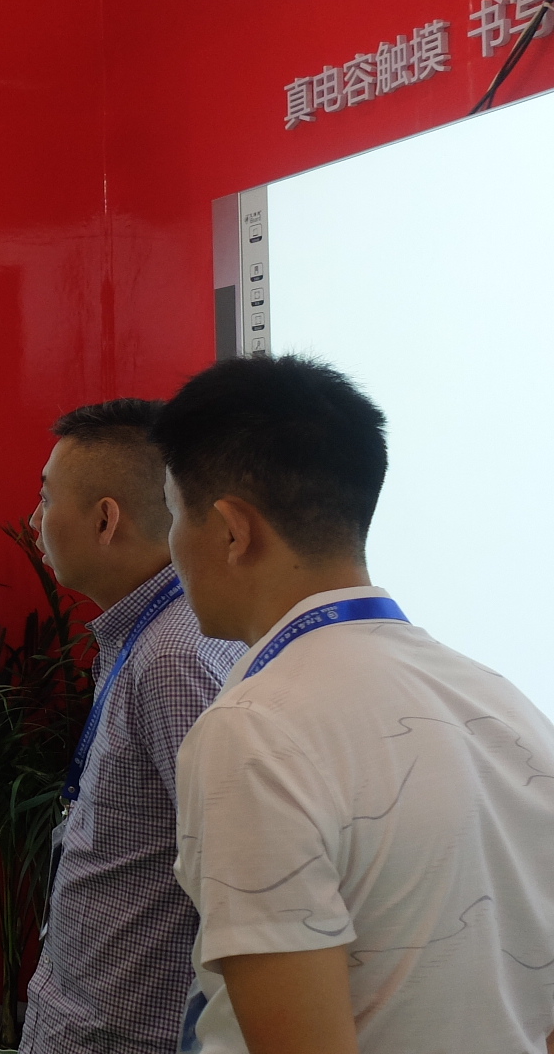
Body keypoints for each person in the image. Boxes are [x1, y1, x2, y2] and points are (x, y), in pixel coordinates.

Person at [155, 355, 554, 1054]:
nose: (172, 547)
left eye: (172, 514)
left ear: (231, 529)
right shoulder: (506, 705)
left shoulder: (255, 732)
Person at [20, 399, 244, 1054]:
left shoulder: (172, 657)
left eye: (45, 499)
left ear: (105, 519)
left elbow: (232, 884)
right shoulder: (143, 639)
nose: (34, 521)